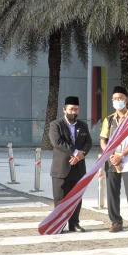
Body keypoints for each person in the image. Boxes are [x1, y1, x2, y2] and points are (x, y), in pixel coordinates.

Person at [100, 86, 128, 235]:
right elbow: (103, 140)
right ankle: (116, 222)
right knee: (112, 192)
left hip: (127, 160)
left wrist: (122, 155)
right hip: (111, 160)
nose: (117, 101)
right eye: (114, 99)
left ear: (126, 100)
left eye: (120, 98)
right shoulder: (109, 119)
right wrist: (111, 155)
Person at [46, 96, 92, 233]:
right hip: (61, 169)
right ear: (64, 110)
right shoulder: (56, 124)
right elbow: (57, 142)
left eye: (76, 109)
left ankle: (74, 223)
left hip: (78, 168)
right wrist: (75, 152)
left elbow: (88, 142)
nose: (74, 112)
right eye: (71, 109)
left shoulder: (82, 125)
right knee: (60, 199)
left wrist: (81, 155)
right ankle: (59, 224)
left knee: (76, 198)